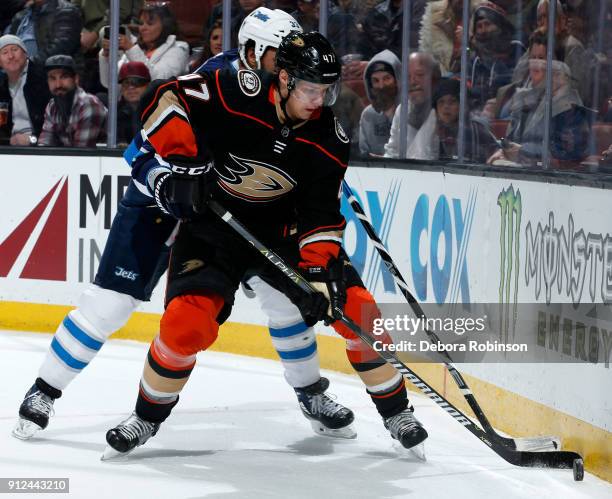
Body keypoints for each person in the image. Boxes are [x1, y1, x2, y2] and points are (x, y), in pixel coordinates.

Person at [13, 13, 356, 444]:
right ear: (253, 51)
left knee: (287, 297)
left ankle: (310, 392)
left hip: (228, 215)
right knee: (111, 304)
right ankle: (44, 390)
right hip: (161, 203)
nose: (288, 62)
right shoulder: (219, 79)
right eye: (278, 53)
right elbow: (142, 145)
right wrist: (163, 180)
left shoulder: (284, 88)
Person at [102, 30, 427, 459]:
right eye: (310, 88)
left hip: (286, 233)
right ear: (285, 79)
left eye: (326, 90)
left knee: (360, 312)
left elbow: (320, 214)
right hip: (214, 230)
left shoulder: (329, 135)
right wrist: (183, 164)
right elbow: (165, 99)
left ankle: (397, 412)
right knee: (186, 325)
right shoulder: (236, 92)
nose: (318, 99)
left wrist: (316, 271)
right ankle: (145, 417)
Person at [487, 60, 592, 166]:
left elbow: (565, 153)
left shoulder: (572, 110)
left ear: (566, 79)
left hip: (547, 168)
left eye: (556, 73)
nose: (551, 78)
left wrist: (523, 151)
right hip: (523, 160)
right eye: (548, 73)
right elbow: (513, 137)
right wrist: (506, 149)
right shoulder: (532, 103)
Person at [98, 3, 189, 89]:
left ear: (165, 26)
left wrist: (130, 49)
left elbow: (160, 80)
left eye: (150, 24)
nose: (143, 28)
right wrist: (107, 55)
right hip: (128, 102)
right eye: (141, 23)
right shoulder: (137, 47)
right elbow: (110, 83)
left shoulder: (178, 48)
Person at [37, 54, 107, 147]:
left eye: (64, 77)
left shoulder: (88, 104)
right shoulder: (52, 106)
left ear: (76, 79)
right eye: (52, 78)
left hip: (107, 159)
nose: (58, 85)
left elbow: (80, 152)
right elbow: (45, 144)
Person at [384, 52, 441, 159]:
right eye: (408, 77)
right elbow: (392, 152)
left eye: (419, 75)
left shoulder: (445, 111)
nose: (412, 82)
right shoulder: (401, 110)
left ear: (435, 78)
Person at [0, 34, 50, 145]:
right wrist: (8, 141)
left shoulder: (42, 77)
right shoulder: (2, 88)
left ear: (25, 54)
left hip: (41, 145)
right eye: (5, 52)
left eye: (15, 49)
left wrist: (33, 140)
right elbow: (2, 126)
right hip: (11, 147)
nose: (11, 56)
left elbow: (54, 126)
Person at [6, 0, 82, 67]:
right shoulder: (20, 16)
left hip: (48, 75)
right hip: (16, 74)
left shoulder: (66, 11)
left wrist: (23, 65)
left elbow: (59, 49)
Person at [358, 49, 401, 157]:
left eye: (387, 79)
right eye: (376, 81)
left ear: (397, 80)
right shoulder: (368, 114)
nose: (381, 86)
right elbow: (364, 153)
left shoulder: (408, 112)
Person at [116, 61, 151, 146]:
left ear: (148, 85)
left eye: (137, 82)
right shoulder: (115, 113)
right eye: (126, 83)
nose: (131, 88)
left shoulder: (160, 111)